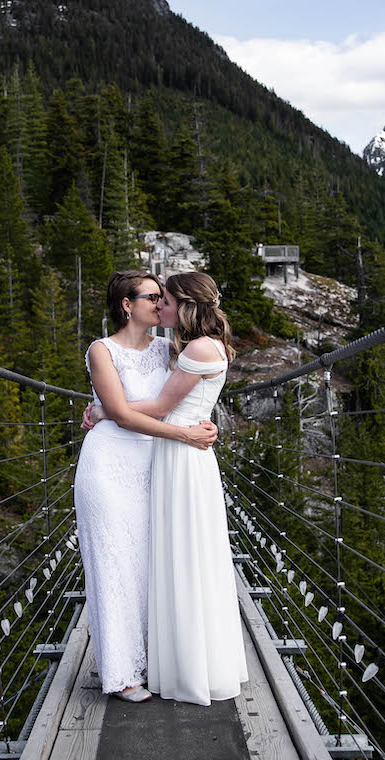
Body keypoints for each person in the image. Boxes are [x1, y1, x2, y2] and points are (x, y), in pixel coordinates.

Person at [86, 272, 248, 705]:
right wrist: (106, 411)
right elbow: (126, 413)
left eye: (165, 298)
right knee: (115, 565)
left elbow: (182, 397)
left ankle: (156, 659)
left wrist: (199, 424)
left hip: (156, 466)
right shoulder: (101, 350)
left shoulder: (168, 348)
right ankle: (121, 673)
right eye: (152, 297)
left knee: (153, 564)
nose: (160, 304)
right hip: (110, 465)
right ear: (127, 304)